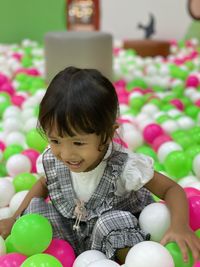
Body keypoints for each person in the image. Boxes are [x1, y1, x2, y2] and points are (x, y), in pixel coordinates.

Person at [0, 66, 200, 263]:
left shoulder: (124, 166)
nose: (66, 153)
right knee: (35, 213)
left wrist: (180, 225)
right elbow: (43, 184)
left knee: (109, 223)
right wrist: (15, 218)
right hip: (72, 233)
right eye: (55, 141)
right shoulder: (53, 160)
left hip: (114, 235)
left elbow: (171, 189)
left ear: (107, 135)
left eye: (78, 143)